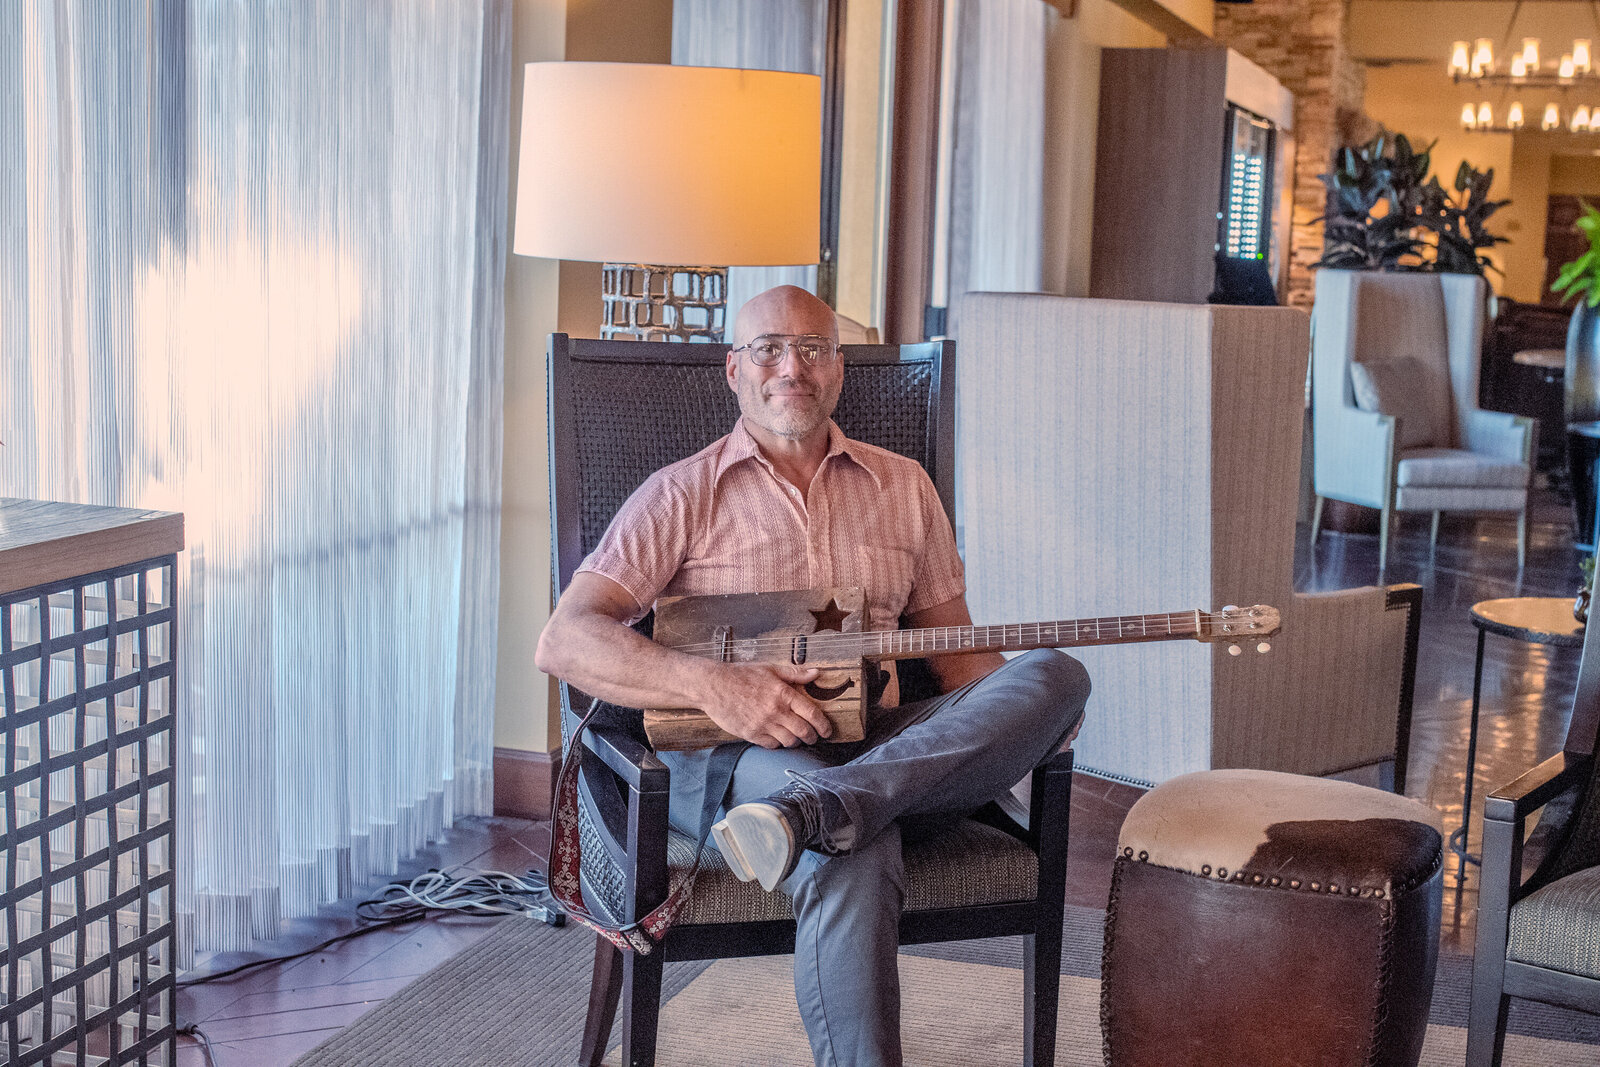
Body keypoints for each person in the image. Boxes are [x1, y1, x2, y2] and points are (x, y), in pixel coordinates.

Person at [535, 284, 1090, 1067]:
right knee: (851, 849)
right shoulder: (680, 494)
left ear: (840, 370)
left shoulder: (905, 486)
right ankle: (819, 815)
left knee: (1057, 674)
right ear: (735, 370)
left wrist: (1015, 715)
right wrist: (713, 686)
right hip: (737, 761)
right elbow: (565, 640)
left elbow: (959, 659)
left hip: (887, 745)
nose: (791, 365)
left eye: (814, 348)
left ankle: (819, 810)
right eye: (769, 348)